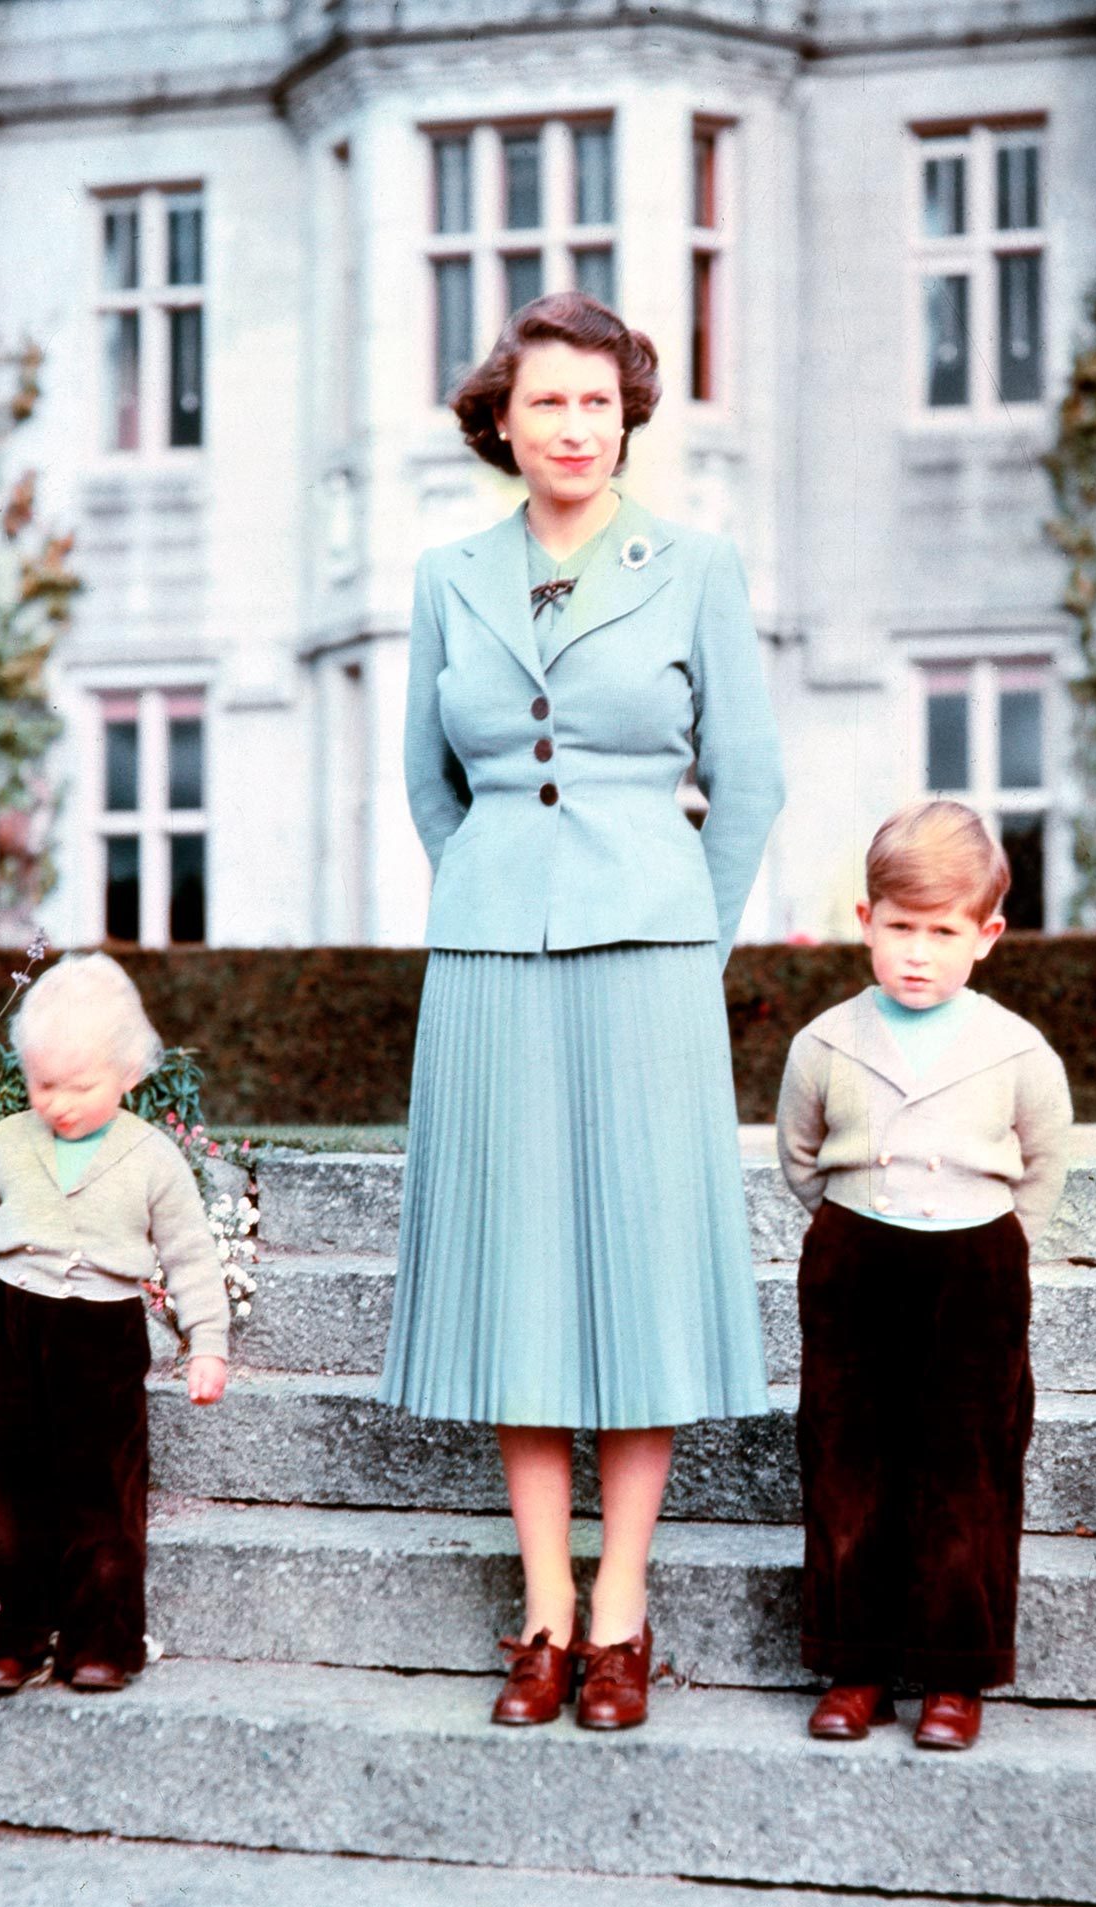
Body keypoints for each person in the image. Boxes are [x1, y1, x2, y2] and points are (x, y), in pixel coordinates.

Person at [377, 292, 784, 1731]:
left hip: (648, 961)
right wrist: (502, 887)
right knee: (517, 1273)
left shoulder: (696, 567)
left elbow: (749, 785)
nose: (574, 427)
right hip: (491, 959)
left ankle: (624, 1616)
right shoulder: (446, 575)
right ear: (500, 416)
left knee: (642, 1266)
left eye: (598, 404)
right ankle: (542, 1613)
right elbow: (434, 783)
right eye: (547, 401)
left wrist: (688, 942)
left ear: (629, 420)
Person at [776, 802, 1072, 1750]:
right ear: (865, 921)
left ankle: (955, 1676)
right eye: (899, 927)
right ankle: (853, 1663)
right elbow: (799, 1156)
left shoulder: (1017, 1050)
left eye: (942, 933)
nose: (917, 953)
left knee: (967, 1468)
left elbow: (1042, 1165)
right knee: (847, 1459)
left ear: (985, 937)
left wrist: (985, 1237)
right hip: (858, 1255)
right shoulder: (825, 1042)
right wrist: (858, 1221)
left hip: (974, 1267)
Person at [0, 953, 228, 1695]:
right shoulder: (7, 1144)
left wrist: (205, 1342)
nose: (57, 1104)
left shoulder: (151, 1160)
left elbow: (190, 1256)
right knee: (4, 1489)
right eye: (42, 1084)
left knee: (100, 1491)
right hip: (4, 1325)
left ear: (128, 1072)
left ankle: (101, 1641)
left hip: (99, 1337)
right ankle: (10, 1636)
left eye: (80, 1086)